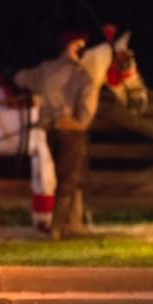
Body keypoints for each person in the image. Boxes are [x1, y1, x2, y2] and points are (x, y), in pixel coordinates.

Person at [14, 30, 95, 239]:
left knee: (55, 178)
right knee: (69, 179)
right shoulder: (81, 75)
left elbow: (20, 78)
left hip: (48, 131)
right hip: (71, 132)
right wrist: (77, 121)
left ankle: (62, 224)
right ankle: (58, 227)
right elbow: (85, 115)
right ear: (75, 46)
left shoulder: (46, 69)